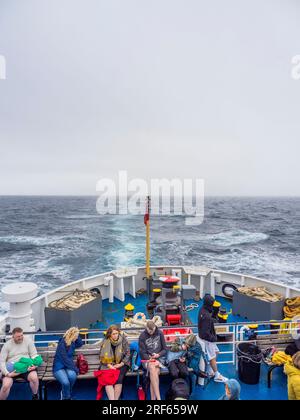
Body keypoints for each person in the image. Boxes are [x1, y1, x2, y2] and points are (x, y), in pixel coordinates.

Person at [0, 327, 40, 400]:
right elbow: (1, 362)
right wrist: (7, 374)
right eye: (18, 336)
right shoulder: (7, 345)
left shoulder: (28, 341)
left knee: (34, 378)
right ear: (13, 336)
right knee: (5, 386)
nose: (21, 338)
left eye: (22, 335)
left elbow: (34, 355)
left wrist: (34, 366)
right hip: (12, 368)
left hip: (26, 366)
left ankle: (35, 396)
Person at [198, 294, 228, 383]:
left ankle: (210, 371)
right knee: (212, 357)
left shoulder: (202, 310)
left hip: (207, 337)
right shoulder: (206, 316)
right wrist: (213, 338)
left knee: (216, 352)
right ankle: (216, 375)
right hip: (208, 339)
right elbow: (205, 333)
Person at [98, 325, 131, 400]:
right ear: (110, 334)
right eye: (113, 334)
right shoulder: (105, 341)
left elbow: (128, 354)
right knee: (108, 379)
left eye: (116, 333)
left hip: (122, 363)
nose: (115, 335)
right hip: (108, 364)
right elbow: (101, 355)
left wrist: (121, 364)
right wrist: (109, 365)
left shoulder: (123, 339)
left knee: (119, 379)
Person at [139, 320, 167, 400]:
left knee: (153, 373)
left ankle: (153, 399)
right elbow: (142, 353)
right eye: (149, 331)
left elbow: (165, 349)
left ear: (155, 328)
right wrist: (149, 358)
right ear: (146, 328)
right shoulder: (142, 336)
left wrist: (158, 355)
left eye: (153, 331)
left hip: (159, 359)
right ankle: (158, 398)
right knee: (152, 369)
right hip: (147, 360)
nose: (151, 333)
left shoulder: (160, 333)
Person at [53, 327, 83, 400]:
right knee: (65, 382)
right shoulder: (62, 343)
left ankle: (65, 394)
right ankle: (66, 397)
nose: (76, 338)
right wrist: (75, 369)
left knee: (72, 376)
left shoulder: (72, 343)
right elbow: (65, 359)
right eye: (76, 336)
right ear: (72, 336)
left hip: (68, 366)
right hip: (59, 366)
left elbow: (80, 343)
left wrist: (77, 333)